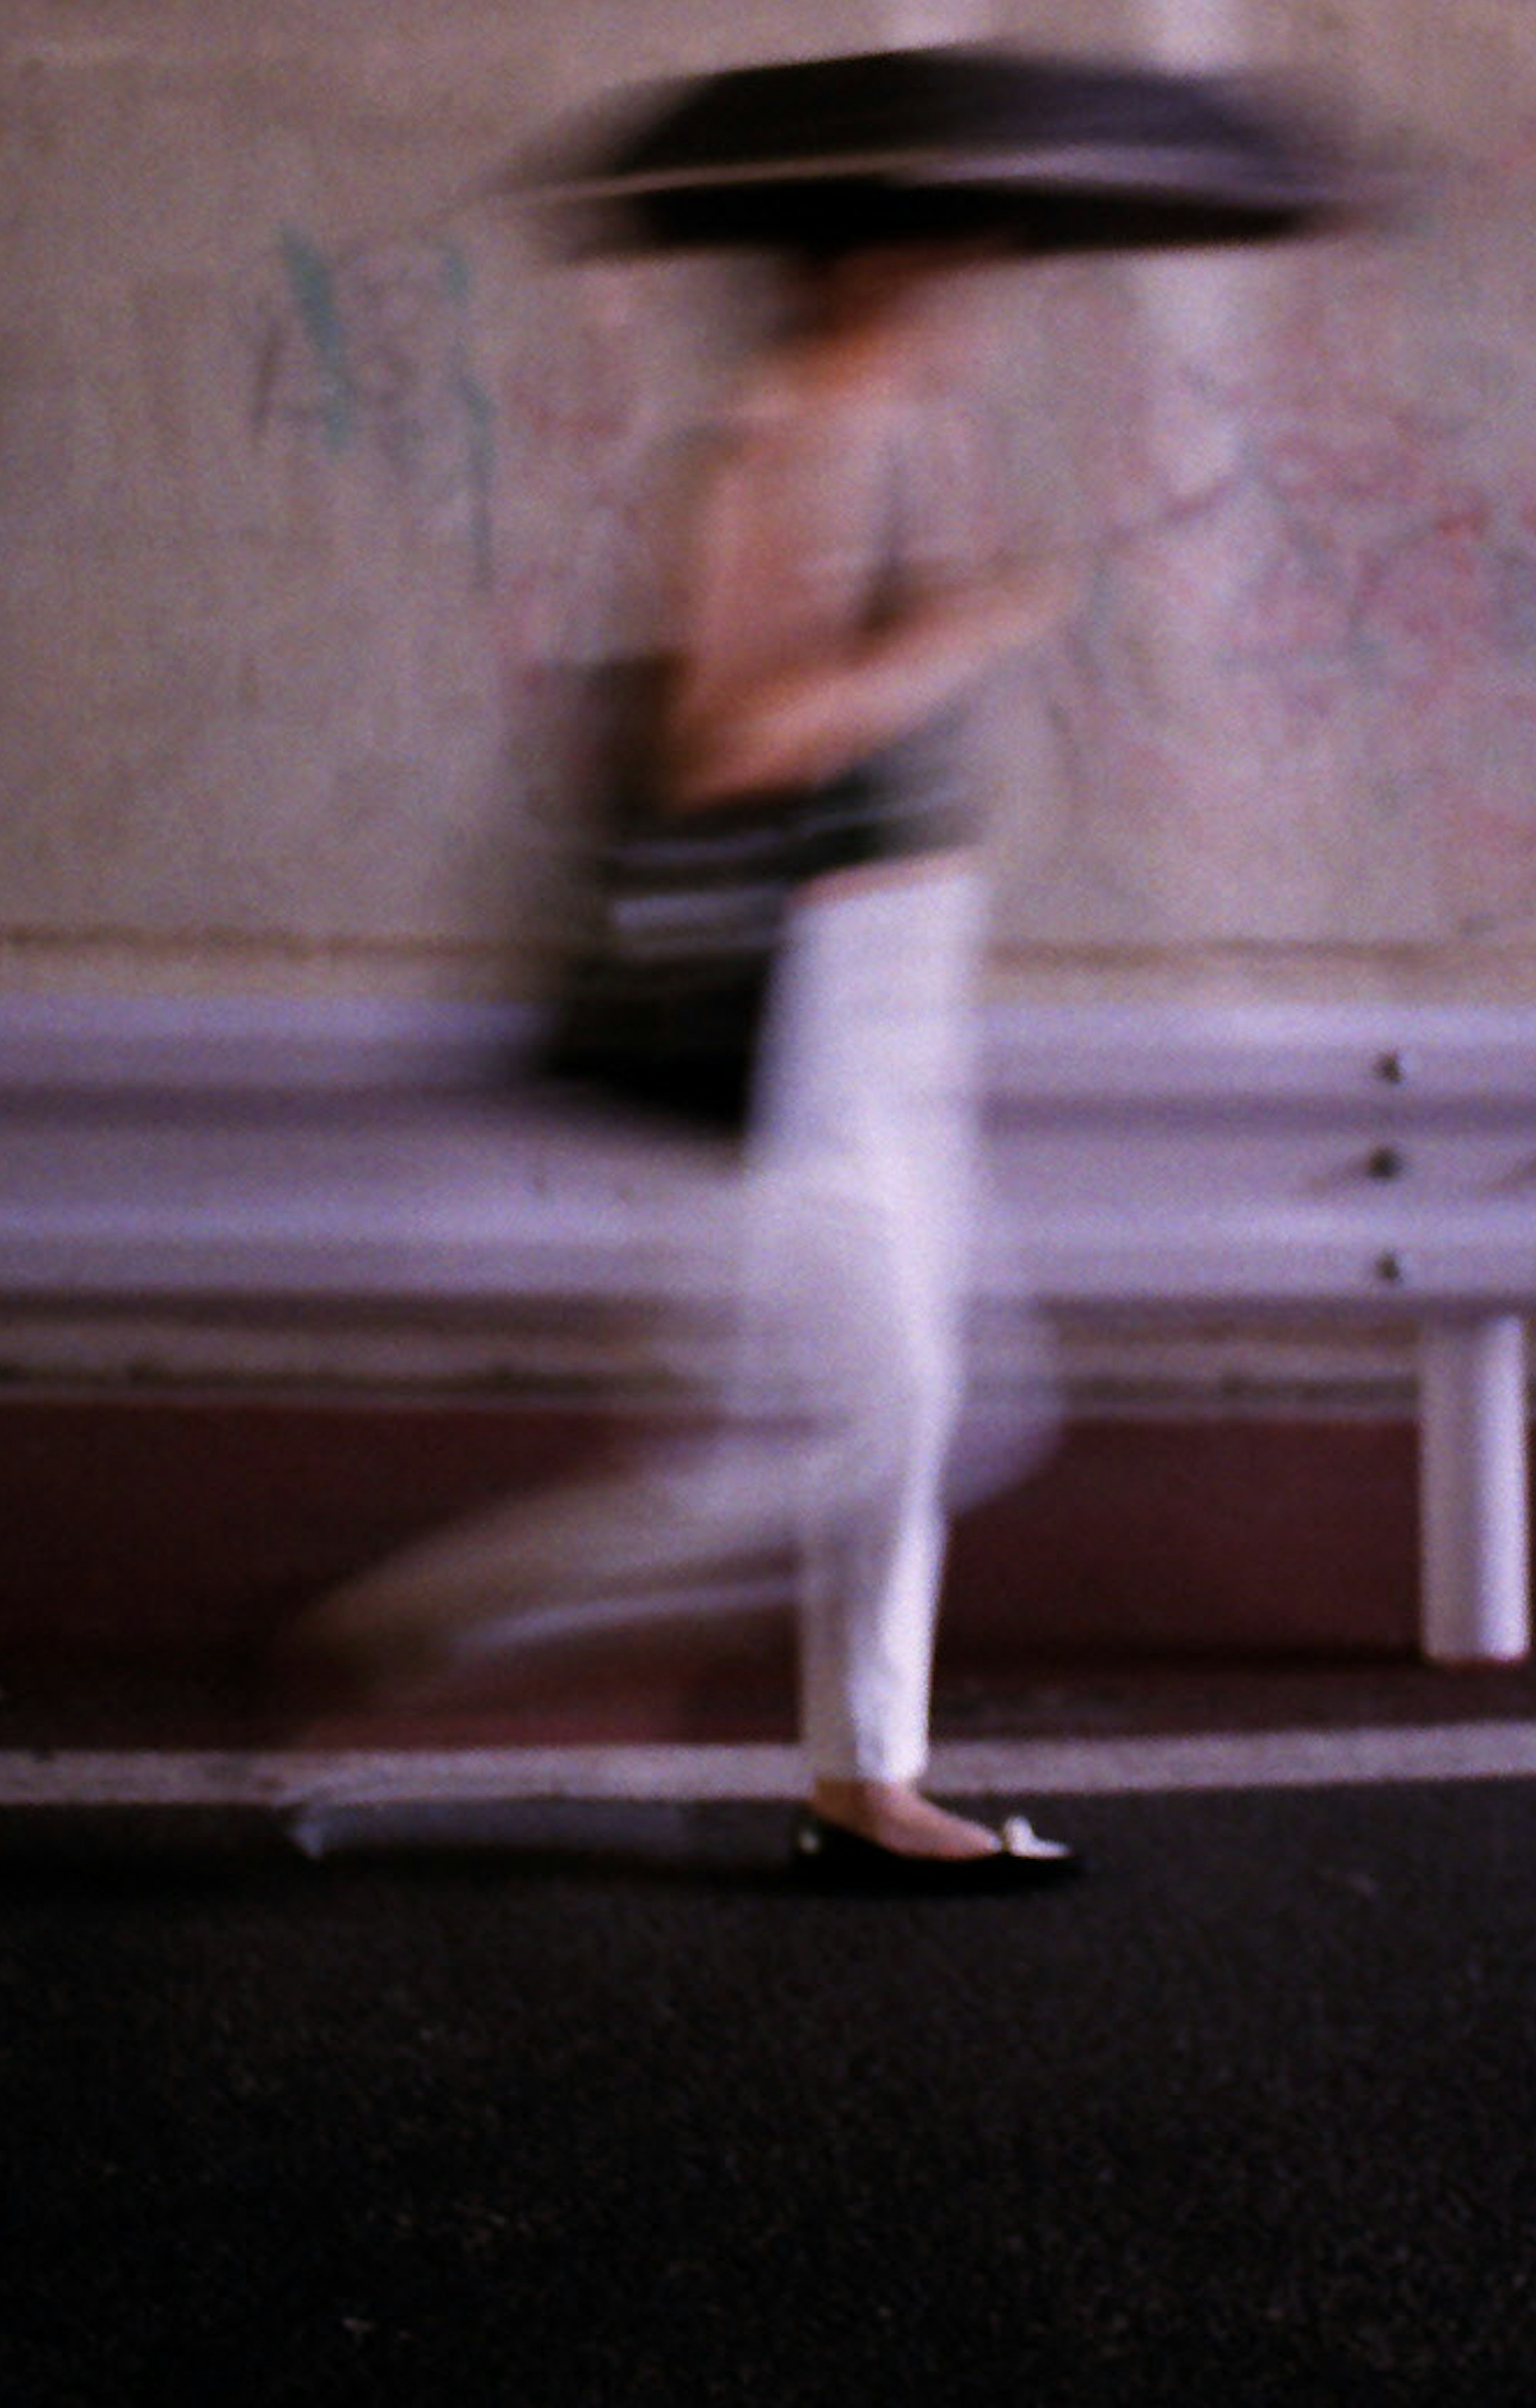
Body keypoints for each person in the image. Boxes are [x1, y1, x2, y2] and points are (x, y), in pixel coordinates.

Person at [298, 233, 1078, 1886]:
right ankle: (430, 1624)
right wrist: (959, 634)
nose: (979, 300)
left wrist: (947, 564)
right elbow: (727, 740)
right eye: (949, 273)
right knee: (877, 1422)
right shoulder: (764, 449)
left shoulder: (883, 446)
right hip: (804, 1010)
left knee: (930, 1411)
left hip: (900, 989)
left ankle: (869, 1783)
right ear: (868, 276)